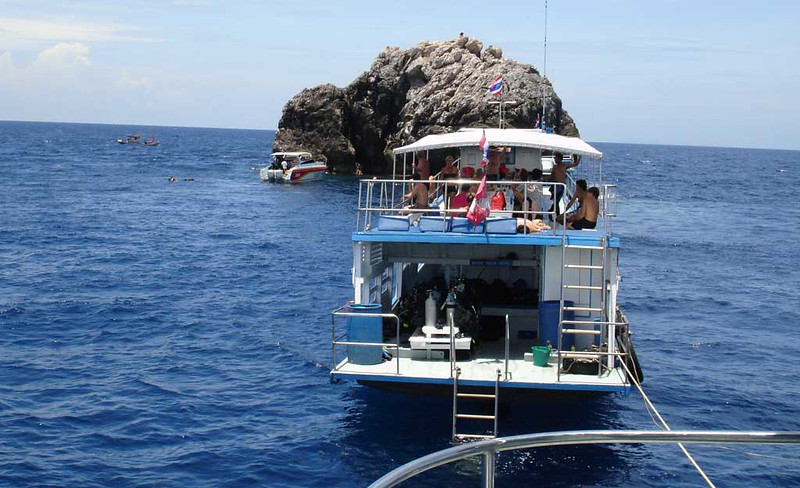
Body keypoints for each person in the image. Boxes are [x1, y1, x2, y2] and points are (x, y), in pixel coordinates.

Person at [547, 153, 581, 219]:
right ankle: (557, 215)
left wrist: (579, 157)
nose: (554, 159)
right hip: (556, 185)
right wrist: (544, 179)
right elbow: (552, 176)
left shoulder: (564, 166)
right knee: (556, 201)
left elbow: (575, 164)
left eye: (556, 158)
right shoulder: (555, 167)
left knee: (557, 201)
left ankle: (553, 212)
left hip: (561, 186)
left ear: (559, 159)